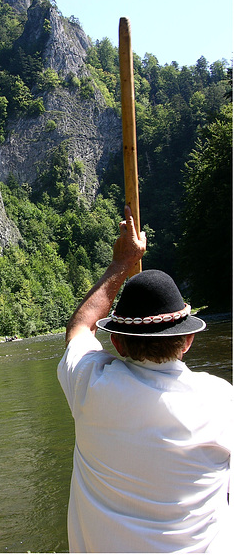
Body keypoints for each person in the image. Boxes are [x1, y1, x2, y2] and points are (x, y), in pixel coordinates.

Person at [57, 206, 232, 553]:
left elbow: (80, 326)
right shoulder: (222, 401)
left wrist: (121, 263)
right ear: (188, 339)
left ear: (117, 342)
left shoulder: (90, 385)